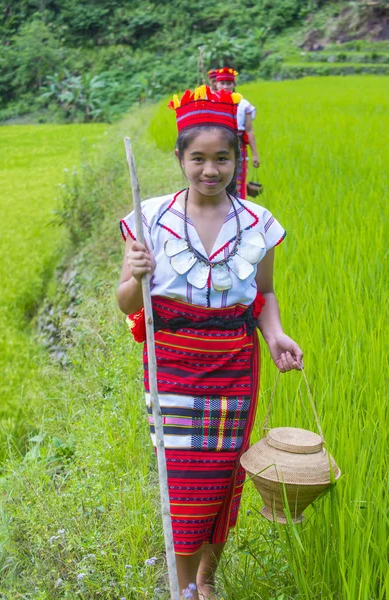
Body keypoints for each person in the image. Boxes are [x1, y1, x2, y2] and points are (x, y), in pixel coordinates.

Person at [117, 85, 303, 600]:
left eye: (222, 158)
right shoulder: (149, 218)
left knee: (223, 477)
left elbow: (263, 294)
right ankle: (182, 589)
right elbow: (128, 304)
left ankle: (207, 578)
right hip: (173, 368)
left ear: (236, 160)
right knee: (183, 482)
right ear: (179, 158)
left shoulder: (258, 224)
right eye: (197, 158)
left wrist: (276, 335)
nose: (210, 170)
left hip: (233, 370)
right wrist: (134, 276)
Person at [215, 67, 260, 199]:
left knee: (238, 181)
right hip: (216, 146)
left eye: (228, 83)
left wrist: (255, 154)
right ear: (216, 84)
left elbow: (249, 130)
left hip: (238, 148)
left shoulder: (244, 105)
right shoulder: (211, 102)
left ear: (234, 85)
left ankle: (237, 209)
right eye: (222, 83)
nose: (225, 86)